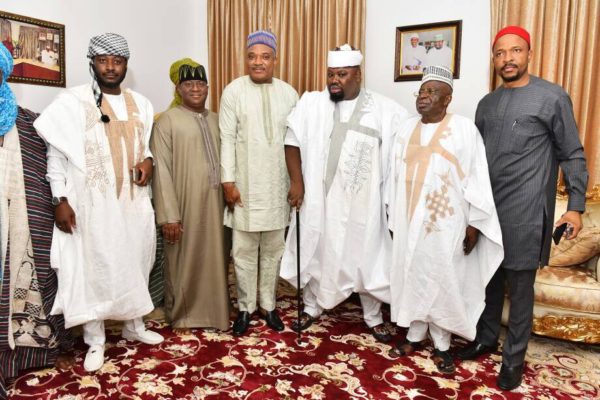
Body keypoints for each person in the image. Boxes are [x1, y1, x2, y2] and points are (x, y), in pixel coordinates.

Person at [457, 26, 588, 390]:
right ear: (494, 58)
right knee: (489, 280)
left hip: (527, 211)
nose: (507, 59)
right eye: (500, 53)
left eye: (515, 51)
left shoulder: (551, 97)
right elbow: (475, 160)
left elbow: (572, 152)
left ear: (529, 54)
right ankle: (485, 340)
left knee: (520, 287)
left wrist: (575, 206)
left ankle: (513, 361)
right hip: (489, 210)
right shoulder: (487, 103)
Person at [34, 33, 164, 373]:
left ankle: (135, 327)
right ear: (92, 62)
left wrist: (148, 162)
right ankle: (95, 340)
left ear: (125, 65)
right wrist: (59, 199)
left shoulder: (143, 104)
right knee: (94, 267)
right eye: (104, 60)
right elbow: (56, 157)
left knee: (136, 261)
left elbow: (144, 146)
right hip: (90, 205)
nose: (110, 67)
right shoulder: (72, 103)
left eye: (117, 61)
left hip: (133, 203)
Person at [280, 44, 408, 343]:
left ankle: (373, 317)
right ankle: (313, 307)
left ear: (358, 75)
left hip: (363, 204)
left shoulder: (385, 110)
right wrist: (297, 182)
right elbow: (291, 140)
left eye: (342, 74)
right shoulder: (312, 104)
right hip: (320, 200)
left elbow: (402, 150)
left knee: (367, 254)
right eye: (330, 74)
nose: (334, 80)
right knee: (317, 248)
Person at [386, 65, 503, 373]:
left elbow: (478, 178)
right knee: (411, 273)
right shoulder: (405, 128)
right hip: (408, 219)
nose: (424, 97)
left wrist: (475, 223)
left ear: (448, 98)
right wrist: (391, 215)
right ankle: (413, 334)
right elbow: (391, 175)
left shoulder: (464, 129)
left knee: (443, 278)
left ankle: (441, 344)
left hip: (445, 224)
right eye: (421, 91)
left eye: (431, 92)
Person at [0, 42, 74, 397]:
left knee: (37, 276)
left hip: (23, 225)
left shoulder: (29, 123)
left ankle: (42, 349)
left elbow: (54, 164)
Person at [219, 30, 298, 336]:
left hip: (277, 185)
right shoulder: (234, 91)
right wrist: (228, 180)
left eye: (265, 57)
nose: (258, 62)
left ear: (275, 59)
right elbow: (226, 138)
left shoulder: (289, 93)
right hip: (245, 186)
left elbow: (294, 143)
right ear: (246, 58)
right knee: (243, 251)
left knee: (273, 250)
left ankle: (269, 305)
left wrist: (295, 182)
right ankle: (244, 308)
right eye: (252, 56)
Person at [151, 59, 230, 334]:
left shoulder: (218, 119)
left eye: (200, 84)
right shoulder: (166, 121)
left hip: (216, 204)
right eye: (188, 84)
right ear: (178, 88)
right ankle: (183, 314)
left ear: (208, 87)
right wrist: (169, 215)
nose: (195, 89)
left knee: (216, 259)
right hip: (182, 205)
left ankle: (216, 311)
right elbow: (160, 171)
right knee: (182, 260)